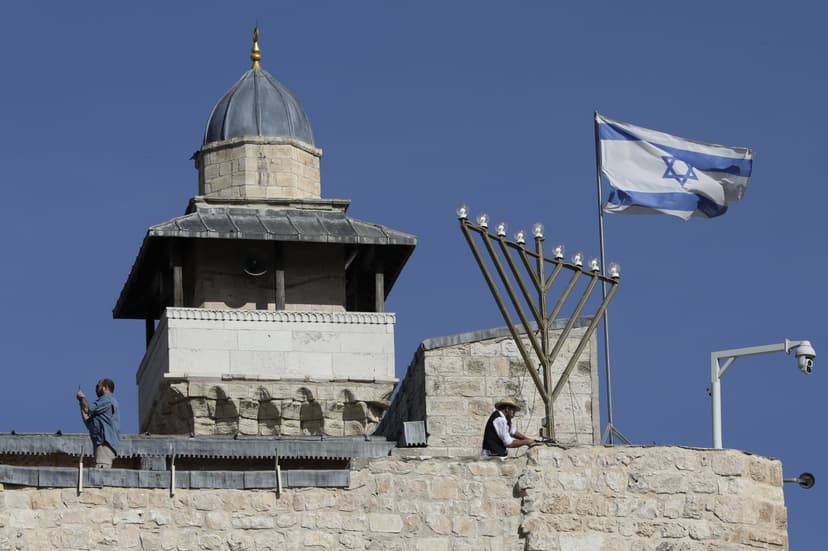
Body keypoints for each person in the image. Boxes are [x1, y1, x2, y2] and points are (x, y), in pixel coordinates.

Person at [76, 379, 120, 468]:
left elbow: (88, 409)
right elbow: (89, 422)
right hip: (102, 445)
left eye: (97, 386)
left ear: (104, 388)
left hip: (104, 445)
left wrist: (82, 398)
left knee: (101, 470)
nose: (96, 389)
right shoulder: (102, 410)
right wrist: (81, 403)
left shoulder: (107, 399)